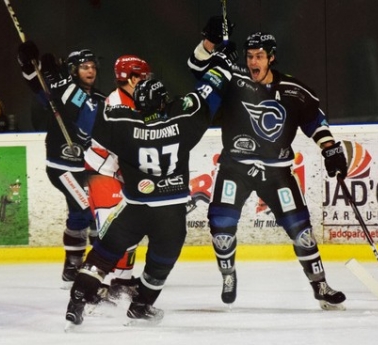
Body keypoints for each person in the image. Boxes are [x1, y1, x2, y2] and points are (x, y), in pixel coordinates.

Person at [187, 26, 349, 310]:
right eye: (249, 56)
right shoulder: (232, 79)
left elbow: (316, 123)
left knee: (302, 233)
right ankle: (228, 275)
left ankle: (320, 285)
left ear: (271, 58)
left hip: (277, 173)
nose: (252, 63)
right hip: (235, 168)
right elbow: (197, 67)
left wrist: (330, 149)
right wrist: (210, 43)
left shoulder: (294, 91)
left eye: (259, 56)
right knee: (222, 231)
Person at [65, 73, 226, 328]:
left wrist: (61, 84)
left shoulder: (123, 126)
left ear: (138, 104)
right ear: (162, 103)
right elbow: (210, 98)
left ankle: (76, 302)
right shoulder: (182, 125)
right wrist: (220, 70)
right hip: (170, 216)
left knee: (102, 256)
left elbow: (84, 112)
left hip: (134, 211)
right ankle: (141, 306)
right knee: (159, 266)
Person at [17, 41, 106, 290]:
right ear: (73, 70)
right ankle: (79, 266)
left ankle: (80, 266)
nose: (90, 71)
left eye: (92, 67)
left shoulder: (96, 98)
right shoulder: (60, 92)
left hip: (88, 169)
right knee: (84, 210)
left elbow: (93, 116)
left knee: (94, 215)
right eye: (84, 67)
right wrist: (27, 64)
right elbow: (36, 85)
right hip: (62, 167)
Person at [84, 54, 152, 299]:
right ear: (132, 78)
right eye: (143, 77)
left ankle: (121, 281)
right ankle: (90, 288)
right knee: (113, 235)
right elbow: (128, 147)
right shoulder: (117, 105)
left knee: (127, 231)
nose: (147, 82)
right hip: (102, 174)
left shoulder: (130, 101)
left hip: (114, 173)